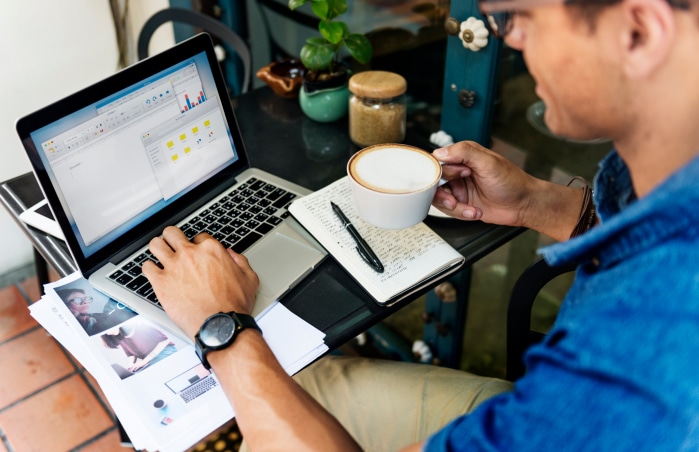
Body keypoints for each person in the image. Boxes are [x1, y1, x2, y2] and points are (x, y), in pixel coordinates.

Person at [142, 0, 699, 448]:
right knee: (292, 380)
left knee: (268, 383)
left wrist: (224, 328)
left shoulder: (647, 351)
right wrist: (536, 204)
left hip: (538, 417)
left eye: (519, 16)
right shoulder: (664, 174)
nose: (508, 39)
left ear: (639, 32)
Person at [56, 287, 137, 335]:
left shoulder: (97, 316)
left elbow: (128, 332)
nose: (85, 302)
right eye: (78, 300)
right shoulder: (71, 327)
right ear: (66, 306)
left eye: (86, 299)